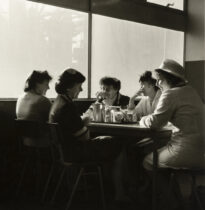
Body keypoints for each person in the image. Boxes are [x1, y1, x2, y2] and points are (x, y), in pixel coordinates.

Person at [49, 68, 126, 201]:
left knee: (109, 142)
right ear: (70, 87)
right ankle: (119, 193)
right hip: (76, 152)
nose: (81, 90)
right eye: (79, 86)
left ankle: (109, 188)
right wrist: (84, 122)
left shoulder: (58, 102)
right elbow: (85, 137)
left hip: (65, 152)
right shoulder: (67, 106)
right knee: (119, 145)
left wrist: (82, 122)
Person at [140, 59, 204, 170]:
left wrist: (143, 119)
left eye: (160, 80)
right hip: (201, 153)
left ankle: (164, 188)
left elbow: (155, 123)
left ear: (169, 79)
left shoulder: (170, 93)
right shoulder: (191, 91)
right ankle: (171, 187)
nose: (158, 84)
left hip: (183, 152)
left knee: (147, 161)